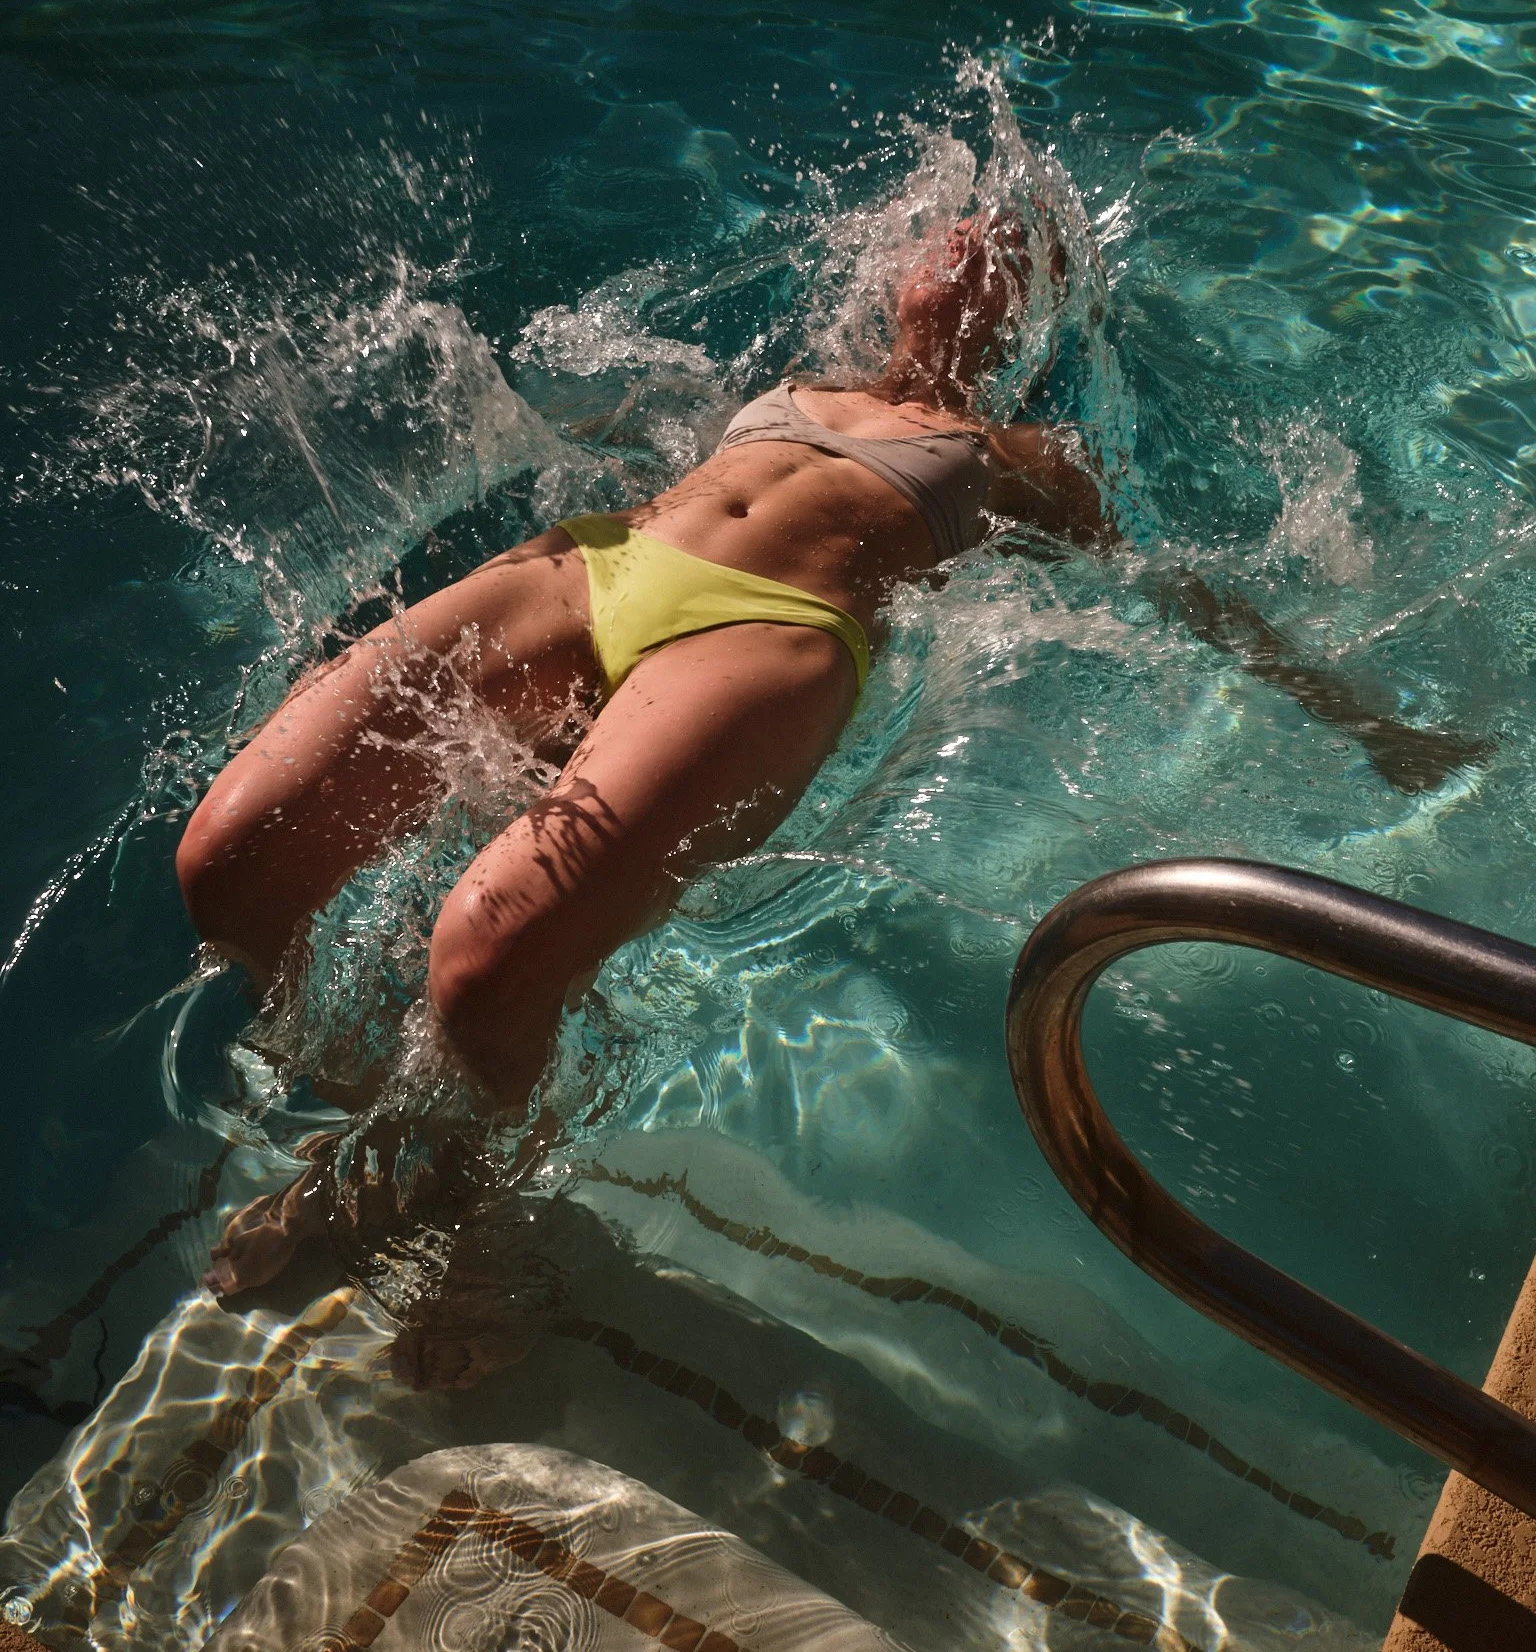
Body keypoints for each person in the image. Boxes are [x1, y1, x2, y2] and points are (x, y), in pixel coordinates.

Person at [176, 205, 1483, 1307]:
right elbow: (580, 427)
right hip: (600, 566)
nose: (972, 249)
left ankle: (453, 1211)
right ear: (899, 273)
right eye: (955, 231)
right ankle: (357, 1098)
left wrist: (1365, 720)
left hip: (769, 634)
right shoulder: (790, 383)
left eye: (1009, 254)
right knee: (232, 858)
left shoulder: (1016, 457)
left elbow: (1178, 592)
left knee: (487, 952)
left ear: (1020, 322)